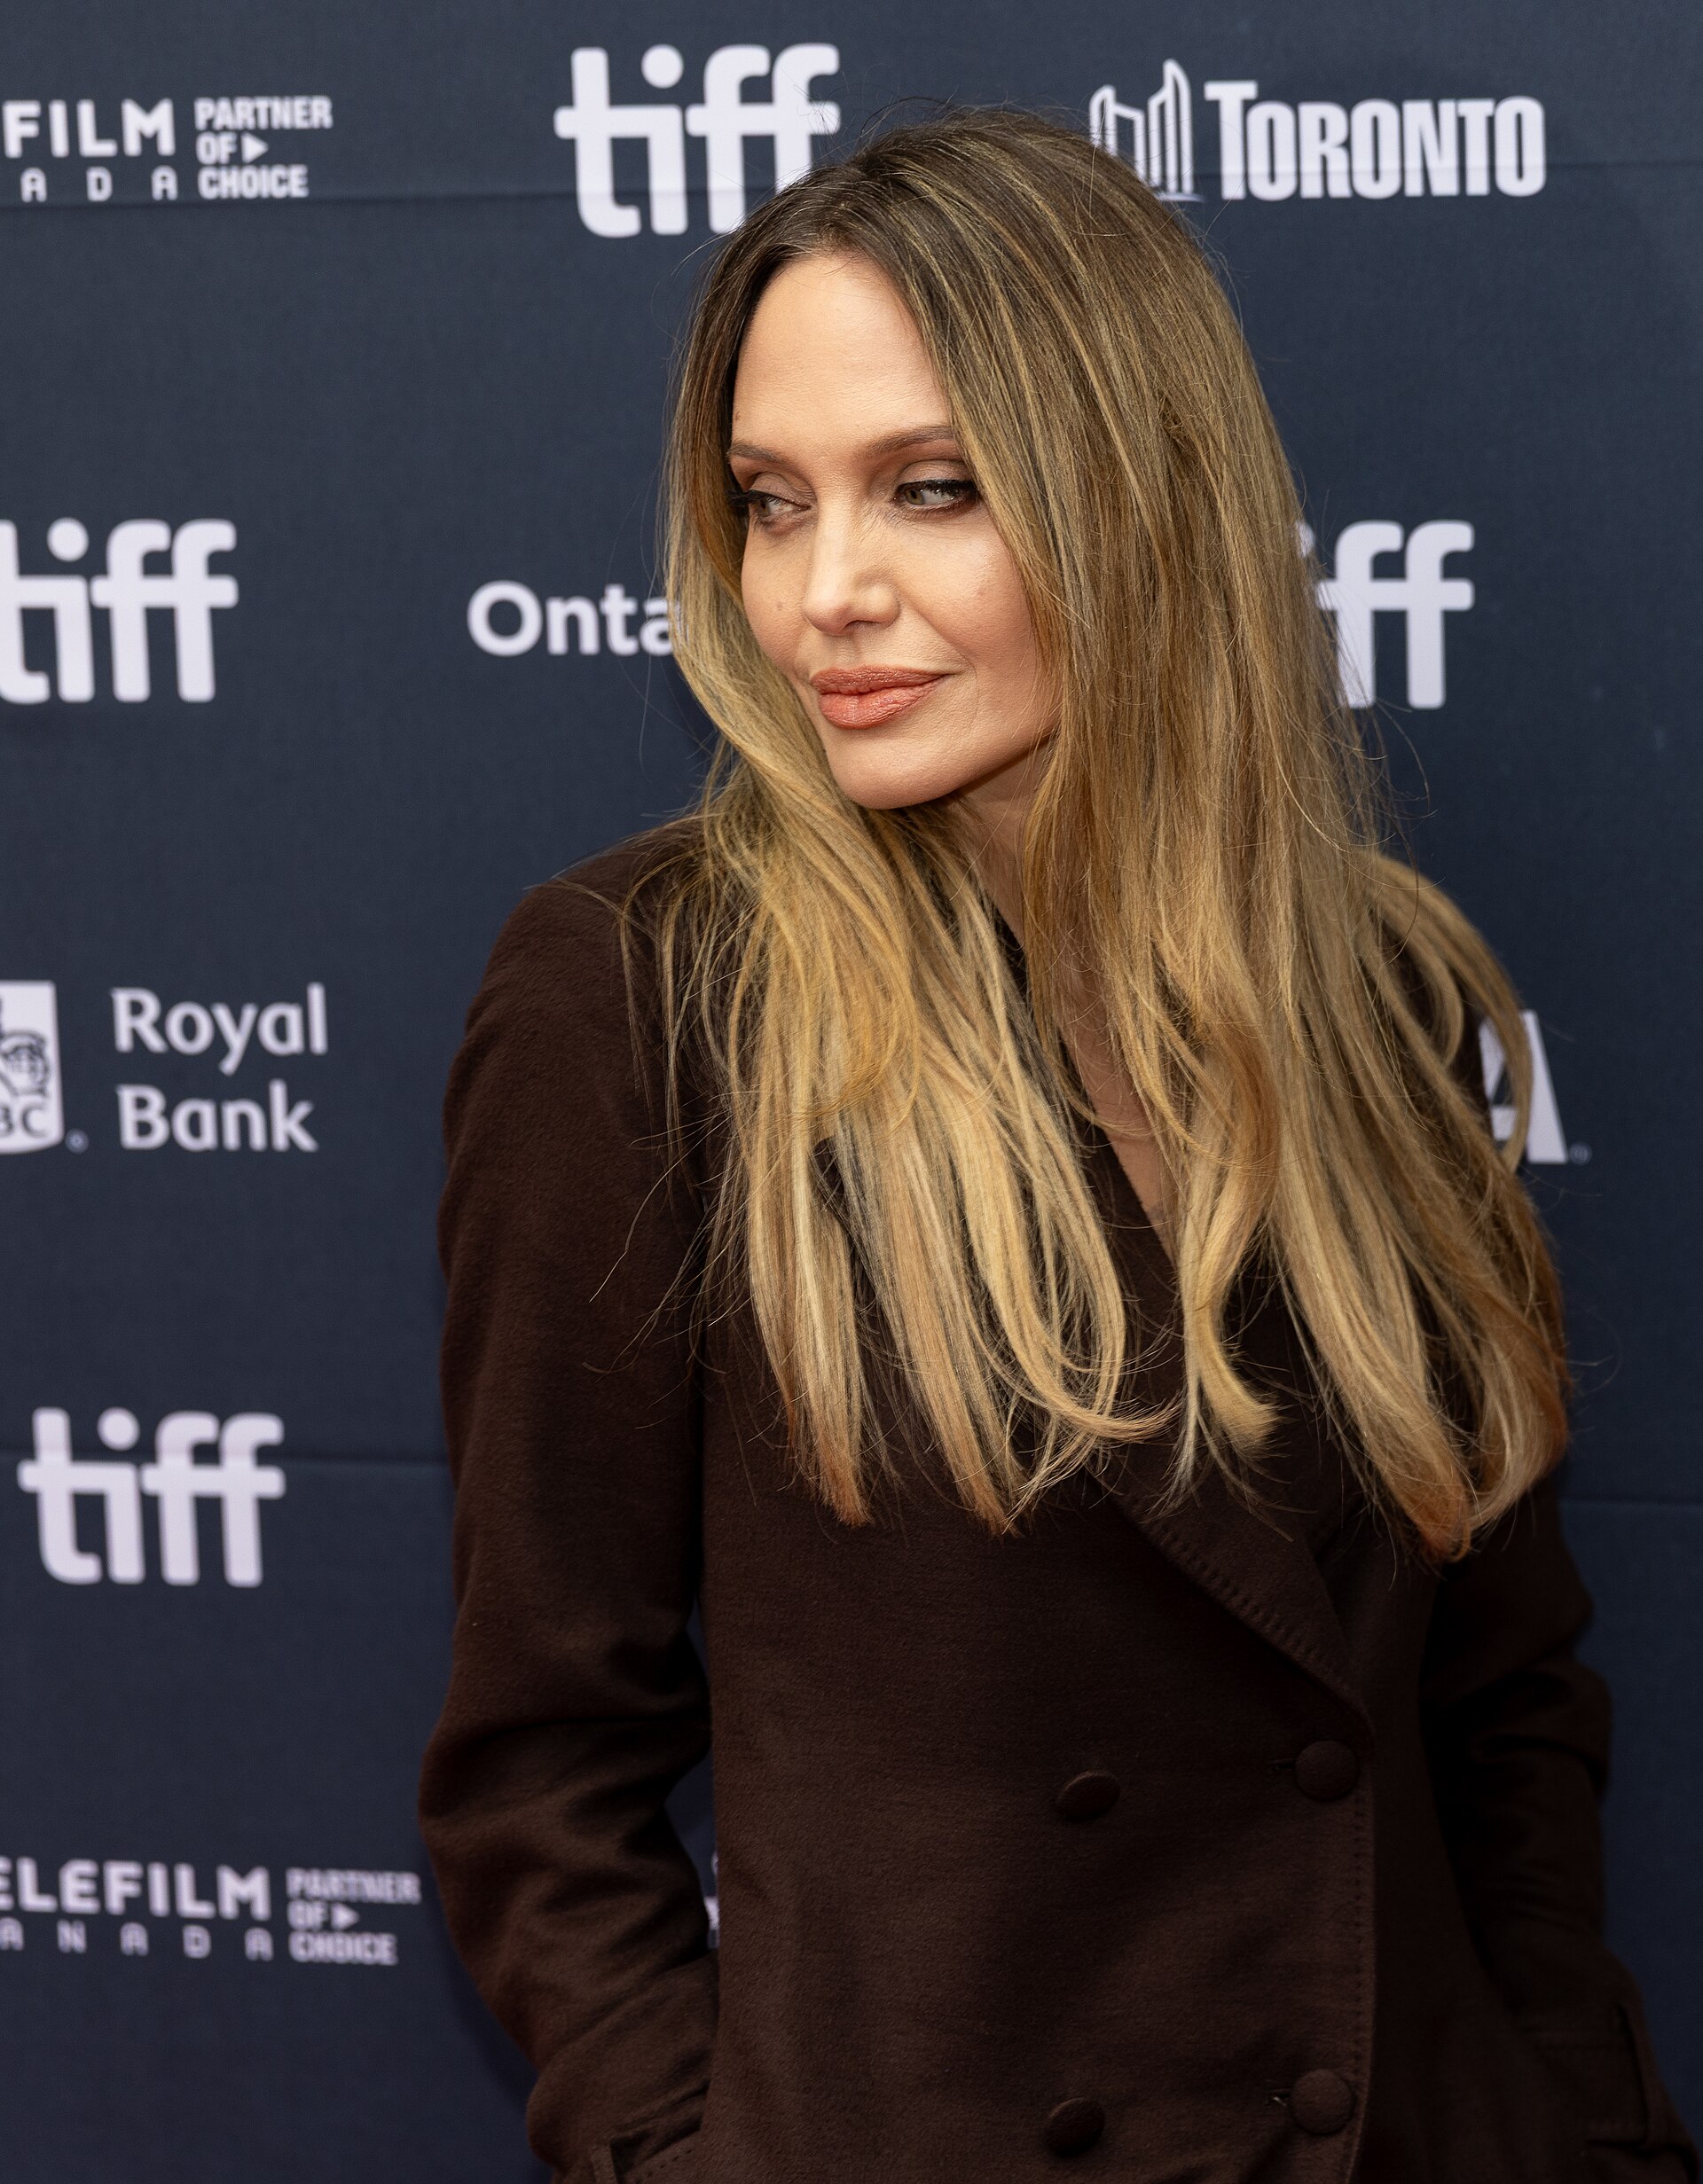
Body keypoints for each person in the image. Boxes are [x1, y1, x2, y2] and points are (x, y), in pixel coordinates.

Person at [418, 109, 1694, 2184]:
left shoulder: (1377, 994)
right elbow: (539, 1768)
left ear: (1139, 499)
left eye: (933, 490)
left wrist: (1572, 2120)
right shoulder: (647, 1005)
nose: (828, 593)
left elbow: (1505, 1701)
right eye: (769, 501)